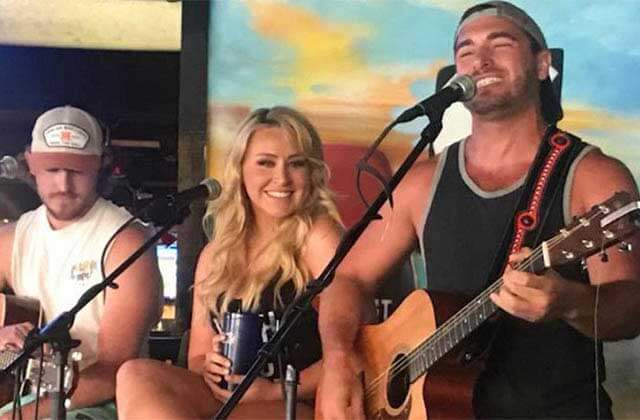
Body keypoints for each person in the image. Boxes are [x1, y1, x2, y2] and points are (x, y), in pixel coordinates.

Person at [317, 2, 640, 419]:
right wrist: (339, 361)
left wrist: (570, 303)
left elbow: (631, 308)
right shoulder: (421, 182)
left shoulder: (594, 176)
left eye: (500, 44)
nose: (480, 59)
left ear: (543, 65)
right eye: (465, 50)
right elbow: (348, 276)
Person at [116, 106, 342, 419]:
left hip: (297, 402)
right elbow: (197, 354)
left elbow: (354, 354)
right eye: (266, 163)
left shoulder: (319, 236)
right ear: (240, 169)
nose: (282, 178)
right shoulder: (217, 253)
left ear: (311, 171)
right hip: (227, 400)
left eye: (296, 164)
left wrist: (271, 390)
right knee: (135, 374)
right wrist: (208, 365)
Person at [0, 105, 163, 419]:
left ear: (100, 166)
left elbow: (112, 370)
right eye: (52, 169)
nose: (63, 184)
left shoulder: (125, 242)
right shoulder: (12, 239)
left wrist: (17, 415)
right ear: (30, 164)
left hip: (100, 403)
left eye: (76, 170)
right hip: (25, 395)